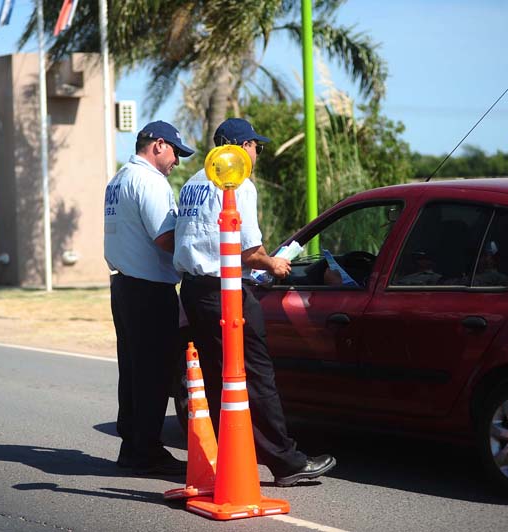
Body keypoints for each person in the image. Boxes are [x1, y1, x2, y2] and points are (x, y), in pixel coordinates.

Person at [174, 117, 336, 487]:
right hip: (227, 292)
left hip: (195, 290)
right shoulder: (238, 182)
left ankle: (226, 459)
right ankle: (286, 461)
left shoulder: (194, 181)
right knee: (257, 375)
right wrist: (273, 263)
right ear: (242, 147)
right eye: (256, 147)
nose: (256, 154)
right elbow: (248, 251)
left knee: (218, 377)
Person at [104, 120, 195, 475]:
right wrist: (199, 252)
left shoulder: (119, 178)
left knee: (132, 370)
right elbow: (165, 238)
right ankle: (145, 450)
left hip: (124, 286)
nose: (177, 162)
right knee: (153, 372)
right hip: (149, 290)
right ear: (158, 145)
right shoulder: (150, 181)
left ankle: (133, 445)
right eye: (175, 152)